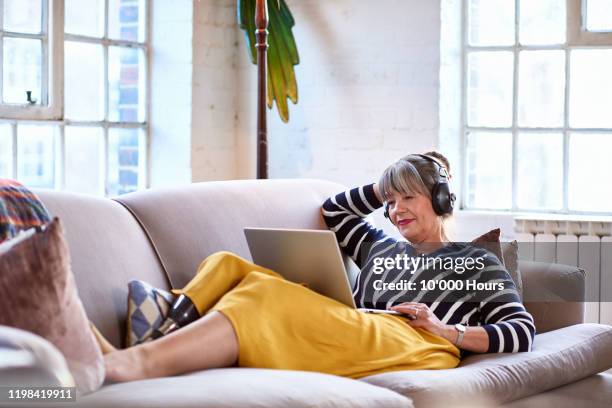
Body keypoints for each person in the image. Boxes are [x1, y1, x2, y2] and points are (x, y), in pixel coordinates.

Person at [104, 152, 535, 383]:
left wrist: (446, 330)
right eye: (391, 201)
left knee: (263, 295)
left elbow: (521, 331)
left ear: (440, 200)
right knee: (230, 265)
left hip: (419, 341)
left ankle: (133, 362)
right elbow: (335, 211)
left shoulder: (472, 261)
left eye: (408, 198)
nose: (395, 210)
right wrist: (383, 183)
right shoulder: (378, 247)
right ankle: (167, 323)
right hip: (360, 324)